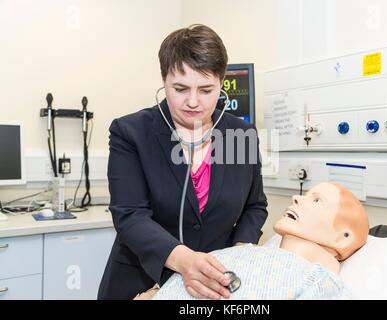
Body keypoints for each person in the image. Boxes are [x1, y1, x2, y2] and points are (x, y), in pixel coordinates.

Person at [98, 24, 268, 300]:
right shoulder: (131, 133)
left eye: (205, 89)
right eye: (180, 88)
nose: (192, 102)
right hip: (141, 281)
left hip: (212, 286)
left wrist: (240, 253)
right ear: (164, 80)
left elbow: (255, 205)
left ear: (221, 84)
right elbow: (130, 215)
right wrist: (184, 261)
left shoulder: (240, 135)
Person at [134, 182, 369, 300]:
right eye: (305, 194)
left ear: (342, 237)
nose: (296, 198)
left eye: (317, 201)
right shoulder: (242, 251)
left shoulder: (319, 281)